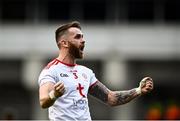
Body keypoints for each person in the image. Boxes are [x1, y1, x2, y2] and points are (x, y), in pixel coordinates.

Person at [38, 21, 153, 120]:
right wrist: (54, 94)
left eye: (82, 37)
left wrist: (138, 91)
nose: (83, 41)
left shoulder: (85, 72)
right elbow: (43, 101)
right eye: (77, 37)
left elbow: (111, 98)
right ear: (64, 43)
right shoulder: (51, 70)